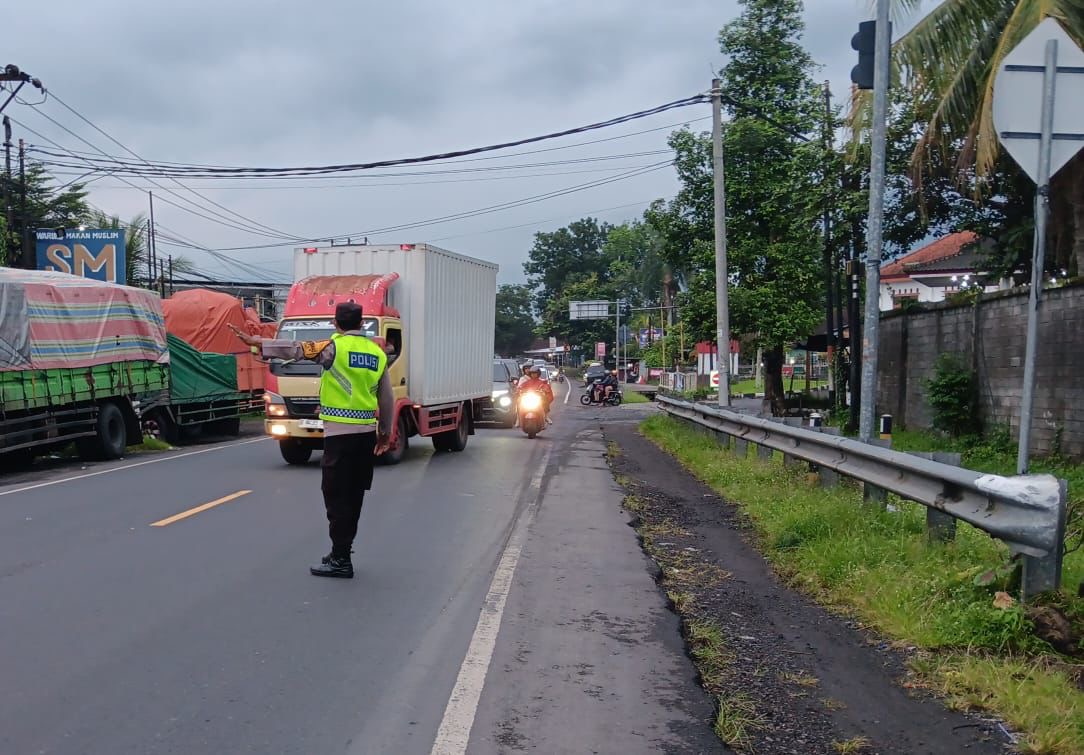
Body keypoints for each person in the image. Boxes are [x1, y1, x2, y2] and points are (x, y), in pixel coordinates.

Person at [231, 302, 393, 579]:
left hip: (339, 436)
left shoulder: (333, 347)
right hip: (365, 434)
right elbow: (387, 397)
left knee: (335, 497)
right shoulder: (376, 353)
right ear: (361, 323)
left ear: (336, 323)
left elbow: (297, 349)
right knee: (353, 496)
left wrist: (258, 342)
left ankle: (341, 559)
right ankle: (341, 549)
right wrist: (385, 432)